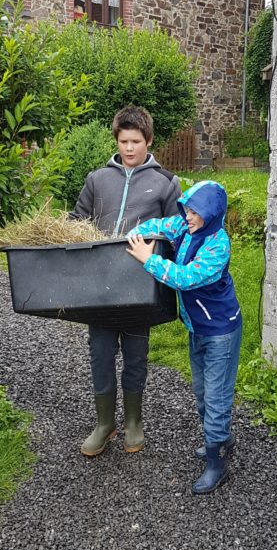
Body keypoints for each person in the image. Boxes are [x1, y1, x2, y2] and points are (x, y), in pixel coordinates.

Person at [69, 106, 181, 457]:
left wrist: (161, 255)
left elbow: (176, 232)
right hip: (99, 285)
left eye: (136, 141)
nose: (129, 148)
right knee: (100, 352)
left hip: (139, 287)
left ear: (149, 141)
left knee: (135, 354)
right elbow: (76, 221)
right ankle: (104, 423)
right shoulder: (97, 179)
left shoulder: (165, 182)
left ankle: (133, 421)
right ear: (116, 140)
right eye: (123, 141)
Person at [126, 180, 242, 495]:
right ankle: (222, 437)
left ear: (212, 212)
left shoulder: (217, 246)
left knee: (216, 398)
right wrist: (136, 236)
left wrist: (148, 259)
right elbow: (158, 226)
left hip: (221, 332)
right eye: (186, 209)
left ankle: (217, 464)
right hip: (197, 328)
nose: (187, 216)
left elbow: (185, 278)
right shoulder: (185, 227)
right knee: (203, 393)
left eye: (195, 211)